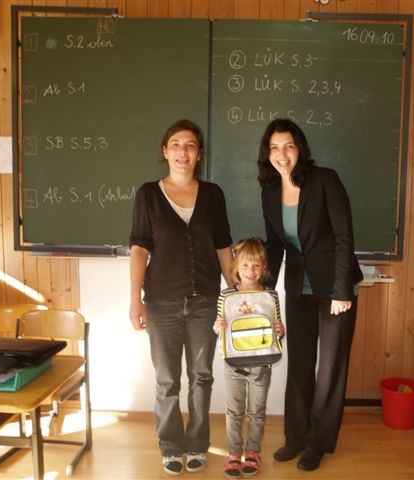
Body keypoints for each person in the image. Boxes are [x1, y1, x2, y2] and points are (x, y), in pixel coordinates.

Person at [256, 118, 363, 471]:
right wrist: (263, 292)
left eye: (288, 146)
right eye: (274, 147)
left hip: (335, 289)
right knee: (299, 366)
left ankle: (318, 442)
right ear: (267, 153)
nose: (282, 154)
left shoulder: (325, 180)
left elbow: (344, 237)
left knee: (329, 369)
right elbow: (275, 245)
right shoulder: (270, 191)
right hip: (297, 288)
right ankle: (296, 438)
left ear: (300, 148)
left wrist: (342, 289)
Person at [129, 119, 233, 476]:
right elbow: (139, 249)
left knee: (202, 376)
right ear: (165, 151)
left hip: (205, 301)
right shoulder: (148, 194)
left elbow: (223, 246)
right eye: (175, 144)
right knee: (167, 380)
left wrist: (236, 294)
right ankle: (171, 446)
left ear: (199, 153)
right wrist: (135, 299)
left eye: (190, 145)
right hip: (162, 302)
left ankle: (197, 444)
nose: (182, 151)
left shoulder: (214, 195)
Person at [213, 237, 285, 479]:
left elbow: (276, 327)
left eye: (256, 266)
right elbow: (219, 328)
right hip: (233, 364)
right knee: (234, 411)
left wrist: (280, 330)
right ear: (236, 267)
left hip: (261, 363)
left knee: (257, 411)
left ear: (264, 267)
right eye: (245, 265)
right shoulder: (226, 295)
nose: (250, 271)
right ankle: (234, 453)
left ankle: (253, 452)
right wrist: (217, 325)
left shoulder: (271, 295)